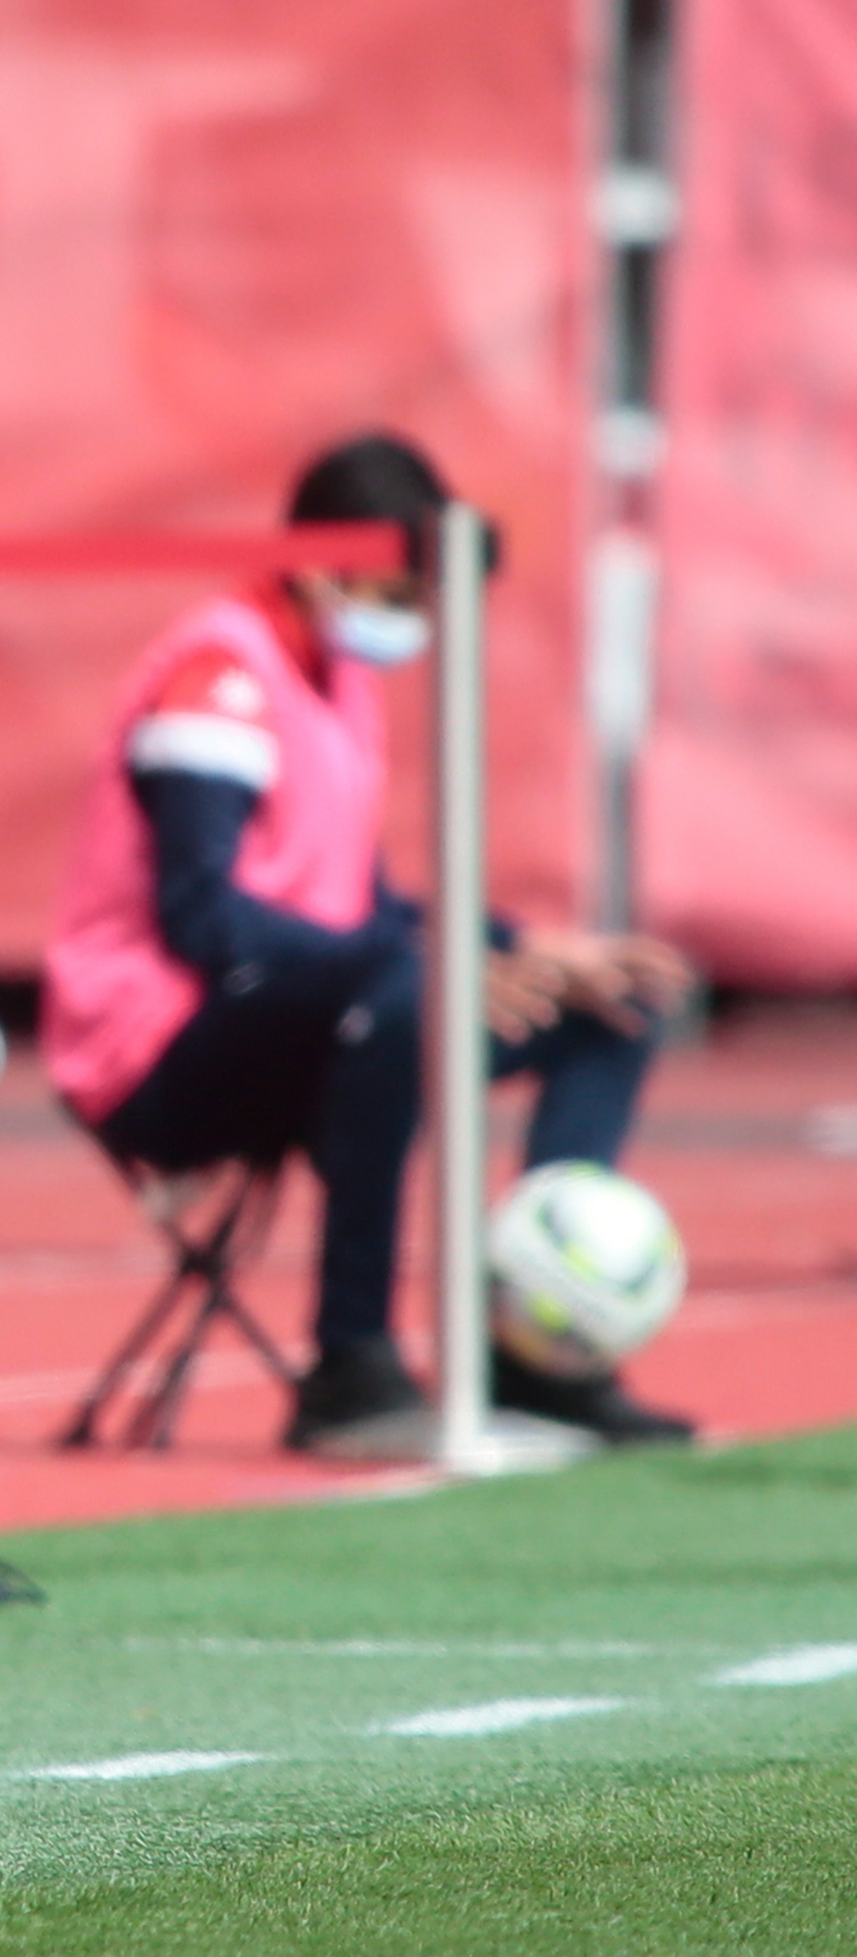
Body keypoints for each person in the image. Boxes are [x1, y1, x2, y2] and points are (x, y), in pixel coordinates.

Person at [43, 432, 694, 1452]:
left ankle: (533, 1351)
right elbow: (203, 922)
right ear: (316, 564)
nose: (415, 624)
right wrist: (431, 970)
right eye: (401, 595)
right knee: (399, 1001)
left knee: (606, 1011)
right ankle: (348, 1363)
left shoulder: (339, 682)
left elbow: (356, 906)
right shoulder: (217, 675)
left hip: (317, 1010)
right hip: (155, 1056)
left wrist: (522, 946)